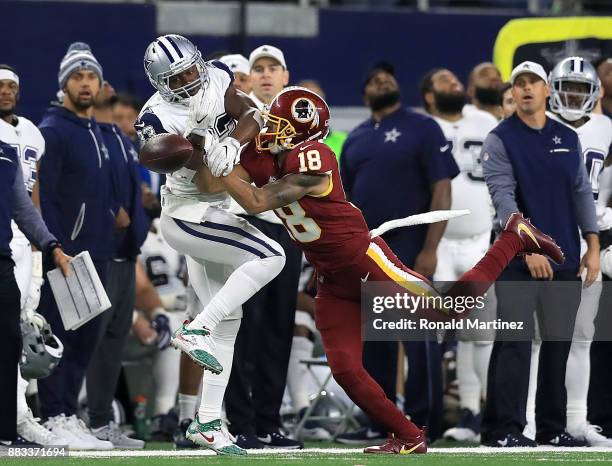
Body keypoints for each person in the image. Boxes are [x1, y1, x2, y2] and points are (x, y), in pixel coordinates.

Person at [189, 86, 564, 455]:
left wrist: (223, 164)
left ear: (301, 131)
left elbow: (256, 200)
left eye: (279, 124)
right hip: (332, 278)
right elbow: (210, 180)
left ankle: (513, 236)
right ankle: (407, 435)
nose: (270, 129)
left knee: (449, 310)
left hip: (364, 260)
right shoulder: (267, 151)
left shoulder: (315, 156)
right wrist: (209, 147)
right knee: (346, 370)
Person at [136, 34, 284, 456]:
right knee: (271, 255)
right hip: (189, 213)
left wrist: (233, 142)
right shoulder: (157, 118)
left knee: (229, 320)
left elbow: (249, 111)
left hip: (214, 211)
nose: (186, 79)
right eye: (175, 76)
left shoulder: (217, 74)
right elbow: (204, 179)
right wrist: (207, 153)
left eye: (189, 68)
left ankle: (207, 422)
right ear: (158, 81)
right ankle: (194, 328)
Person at [481, 61, 600, 448]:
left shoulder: (567, 137)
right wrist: (529, 246)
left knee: (557, 345)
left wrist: (593, 244)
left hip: (565, 254)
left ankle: (551, 427)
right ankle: (504, 429)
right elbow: (503, 198)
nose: (527, 89)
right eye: (520, 83)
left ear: (547, 90)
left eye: (534, 82)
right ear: (512, 93)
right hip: (517, 258)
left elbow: (581, 193)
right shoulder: (500, 138)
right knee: (513, 343)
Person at [339, 61, 458, 442]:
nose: (382, 80)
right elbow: (344, 202)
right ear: (364, 94)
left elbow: (442, 187)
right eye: (374, 79)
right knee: (377, 341)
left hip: (411, 246)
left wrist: (431, 247)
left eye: (388, 77)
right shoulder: (354, 138)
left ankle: (426, 423)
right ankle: (382, 421)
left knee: (419, 336)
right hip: (369, 251)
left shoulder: (422, 126)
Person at [36, 42, 123, 450]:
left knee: (85, 339)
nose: (85, 83)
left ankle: (69, 412)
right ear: (63, 84)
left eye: (90, 76)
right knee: (61, 338)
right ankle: (54, 416)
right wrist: (54, 247)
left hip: (97, 251)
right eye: (77, 77)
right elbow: (43, 196)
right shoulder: (53, 130)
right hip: (67, 253)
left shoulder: (95, 130)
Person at [523, 56, 612, 447]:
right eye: (567, 88)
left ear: (595, 92)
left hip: (589, 241)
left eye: (580, 88)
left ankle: (576, 420)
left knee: (581, 335)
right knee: (539, 336)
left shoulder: (607, 129)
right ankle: (527, 421)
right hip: (549, 239)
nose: (573, 96)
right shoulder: (538, 126)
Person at [223, 44, 303, 450]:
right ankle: (241, 422)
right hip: (247, 228)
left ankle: (270, 420)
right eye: (260, 68)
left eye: (275, 68)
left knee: (277, 328)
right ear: (249, 78)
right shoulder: (238, 118)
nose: (267, 74)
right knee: (245, 327)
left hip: (289, 231)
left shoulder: (305, 116)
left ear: (286, 76)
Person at [420, 68, 498, 443]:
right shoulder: (421, 127)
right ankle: (431, 414)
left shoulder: (485, 120)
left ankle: (477, 410)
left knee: (479, 333)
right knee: (430, 333)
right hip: (438, 243)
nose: (455, 84)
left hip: (480, 239)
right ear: (429, 95)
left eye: (456, 79)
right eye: (444, 81)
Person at [0, 64, 66, 447]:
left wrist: (46, 245)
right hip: (5, 237)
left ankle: (18, 418)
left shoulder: (20, 141)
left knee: (22, 333)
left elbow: (27, 199)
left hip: (17, 243)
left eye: (12, 86)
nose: (6, 92)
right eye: (0, 86)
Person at [86, 81, 149, 448]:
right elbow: (77, 187)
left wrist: (137, 227)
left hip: (126, 252)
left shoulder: (123, 142)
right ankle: (69, 413)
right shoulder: (89, 136)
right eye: (93, 79)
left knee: (112, 341)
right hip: (100, 253)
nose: (103, 84)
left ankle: (101, 421)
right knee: (90, 340)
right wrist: (110, 212)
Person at [296, 79, 347, 159]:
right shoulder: (283, 145)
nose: (311, 107)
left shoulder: (344, 141)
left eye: (316, 101)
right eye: (305, 103)